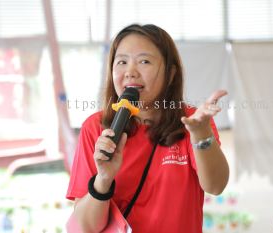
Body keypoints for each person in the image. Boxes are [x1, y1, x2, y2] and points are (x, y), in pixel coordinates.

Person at [66, 24, 229, 233]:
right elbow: (85, 228)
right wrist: (103, 178)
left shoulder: (193, 121)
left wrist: (200, 133)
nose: (130, 72)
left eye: (144, 61)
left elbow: (216, 186)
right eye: (122, 62)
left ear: (170, 74)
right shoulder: (96, 128)